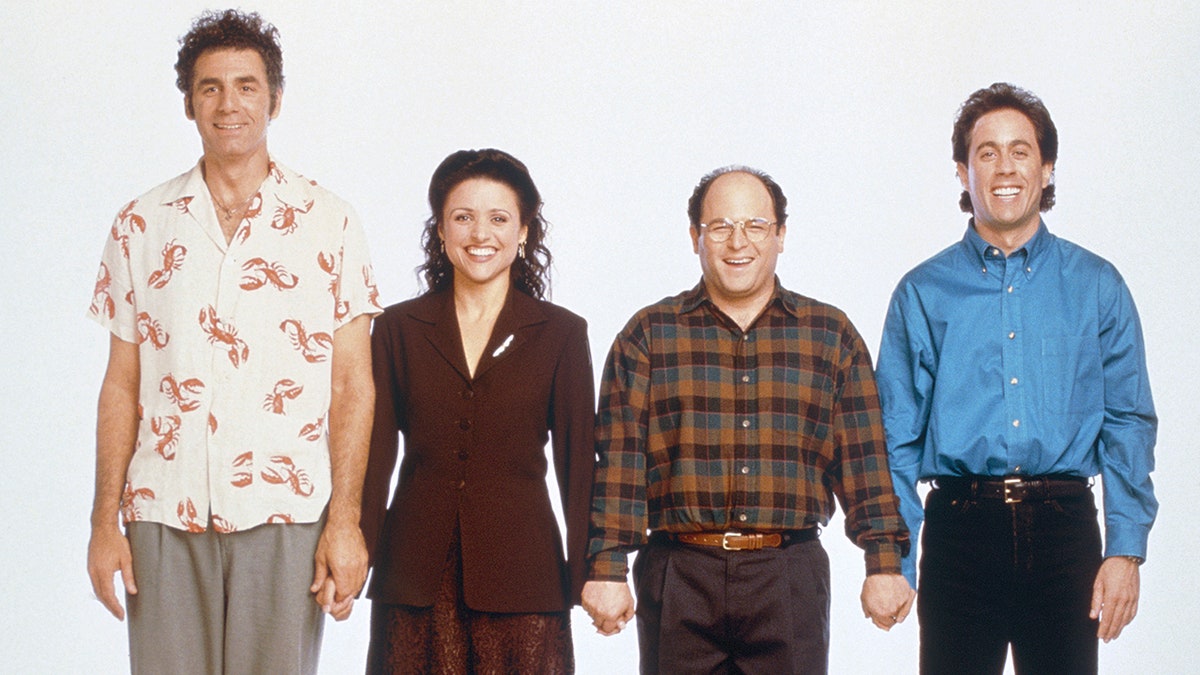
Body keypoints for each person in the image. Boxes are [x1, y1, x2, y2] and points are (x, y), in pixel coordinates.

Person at [85, 10, 381, 674]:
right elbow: (120, 385)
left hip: (286, 514)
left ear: (274, 99)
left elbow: (352, 386)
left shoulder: (329, 223)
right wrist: (104, 521)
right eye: (210, 87)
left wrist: (346, 521)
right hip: (163, 511)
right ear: (189, 104)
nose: (228, 104)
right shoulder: (140, 224)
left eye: (246, 86)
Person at [582, 166, 914, 674]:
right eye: (720, 227)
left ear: (781, 235)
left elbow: (864, 460)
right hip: (679, 573)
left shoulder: (830, 335)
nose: (738, 242)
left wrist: (884, 562)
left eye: (756, 226)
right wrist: (607, 566)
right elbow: (620, 461)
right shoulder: (648, 334)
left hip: (787, 574)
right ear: (695, 237)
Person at [876, 82, 1158, 674]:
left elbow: (1128, 421)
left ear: (1047, 168)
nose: (1004, 167)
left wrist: (1125, 548)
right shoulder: (923, 292)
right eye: (986, 152)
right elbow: (894, 437)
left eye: (1021, 151)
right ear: (962, 172)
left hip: (1065, 536)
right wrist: (893, 561)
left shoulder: (1097, 286)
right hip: (960, 533)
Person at [361, 149, 595, 674]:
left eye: (498, 218)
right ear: (441, 232)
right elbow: (374, 454)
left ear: (524, 232)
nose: (479, 233)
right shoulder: (398, 328)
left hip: (524, 576)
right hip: (415, 577)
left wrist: (594, 571)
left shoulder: (560, 333)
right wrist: (357, 549)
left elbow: (579, 465)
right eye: (462, 217)